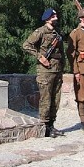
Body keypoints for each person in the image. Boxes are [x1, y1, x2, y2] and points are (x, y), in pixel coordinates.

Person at [23, 8, 67, 138]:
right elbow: (26, 45)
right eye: (53, 16)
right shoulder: (41, 32)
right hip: (45, 71)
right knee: (45, 100)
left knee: (56, 99)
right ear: (48, 18)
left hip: (57, 69)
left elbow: (61, 52)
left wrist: (62, 66)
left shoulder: (57, 32)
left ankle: (52, 125)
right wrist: (40, 57)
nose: (56, 17)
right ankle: (45, 127)